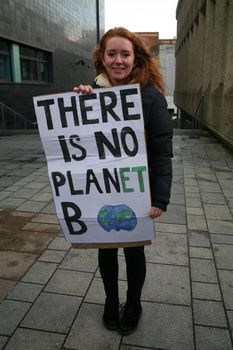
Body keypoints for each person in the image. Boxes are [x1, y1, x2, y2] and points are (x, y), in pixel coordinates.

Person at [73, 27, 173, 335]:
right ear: (102, 59)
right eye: (112, 54)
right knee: (106, 248)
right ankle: (110, 300)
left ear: (136, 58)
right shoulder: (91, 93)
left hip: (135, 188)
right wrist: (78, 103)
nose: (118, 60)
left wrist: (159, 200)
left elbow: (161, 151)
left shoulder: (151, 98)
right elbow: (76, 142)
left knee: (133, 250)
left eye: (125, 54)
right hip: (101, 188)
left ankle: (133, 302)